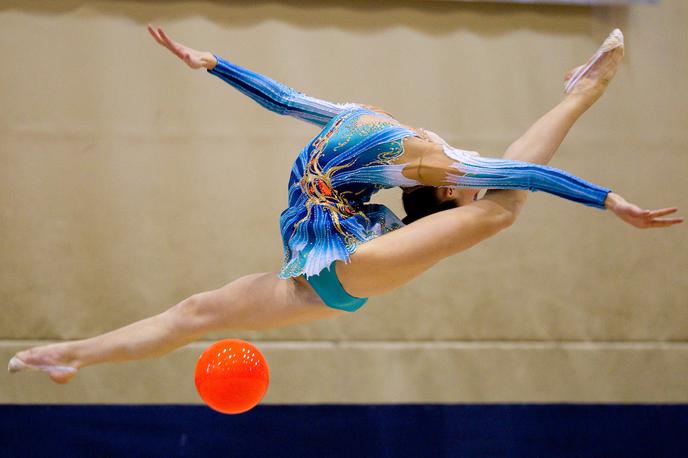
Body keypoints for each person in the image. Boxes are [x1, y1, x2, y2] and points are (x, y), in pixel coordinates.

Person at [8, 26, 681, 384]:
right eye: (461, 175)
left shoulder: (418, 155)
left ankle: (580, 93)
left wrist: (606, 199)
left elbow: (520, 175)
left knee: (501, 209)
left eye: (461, 177)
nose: (464, 168)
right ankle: (68, 355)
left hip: (356, 260)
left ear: (440, 192)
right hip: (309, 277)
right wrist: (213, 64)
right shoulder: (367, 124)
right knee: (193, 314)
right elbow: (282, 99)